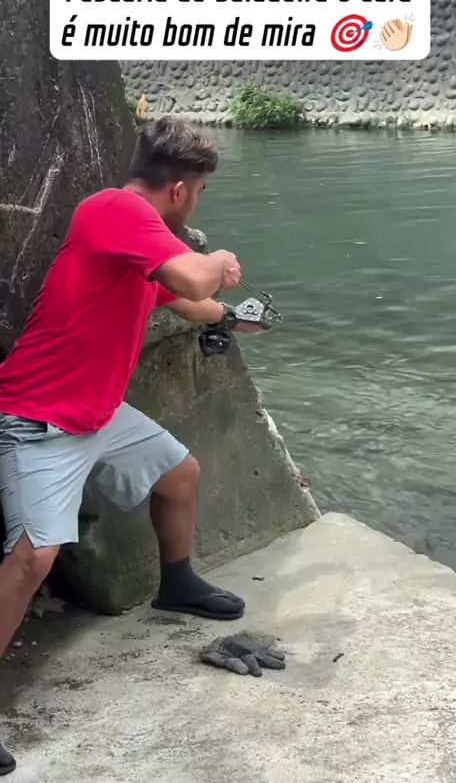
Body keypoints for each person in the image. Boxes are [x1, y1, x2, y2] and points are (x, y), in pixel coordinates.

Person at [0, 117, 265, 773]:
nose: (195, 204)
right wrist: (221, 265)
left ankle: (178, 583)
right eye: (198, 193)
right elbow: (197, 280)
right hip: (36, 417)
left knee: (180, 473)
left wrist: (235, 316)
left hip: (96, 413)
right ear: (179, 191)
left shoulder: (136, 248)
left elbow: (189, 302)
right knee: (33, 557)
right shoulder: (115, 210)